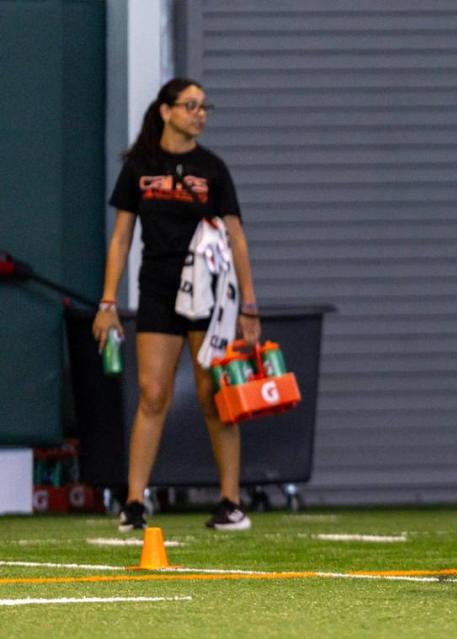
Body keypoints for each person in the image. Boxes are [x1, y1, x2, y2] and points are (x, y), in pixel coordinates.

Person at [92, 78, 261, 532]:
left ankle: (230, 502)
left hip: (209, 298)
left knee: (215, 396)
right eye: (190, 106)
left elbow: (237, 238)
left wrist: (249, 306)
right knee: (152, 395)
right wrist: (108, 301)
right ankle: (133, 503)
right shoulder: (140, 167)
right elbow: (122, 237)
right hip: (159, 293)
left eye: (205, 106)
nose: (200, 114)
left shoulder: (213, 169)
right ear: (166, 111)